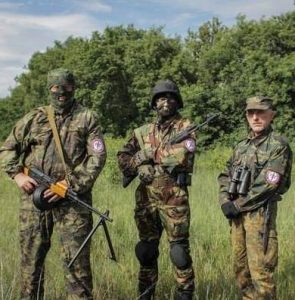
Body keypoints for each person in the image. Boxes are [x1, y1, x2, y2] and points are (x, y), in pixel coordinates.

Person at [0, 68, 107, 299]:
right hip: (35, 202)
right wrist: (17, 175)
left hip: (73, 202)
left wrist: (70, 184)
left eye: (66, 87)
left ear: (74, 88)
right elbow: (7, 148)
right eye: (56, 87)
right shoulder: (34, 117)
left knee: (77, 267)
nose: (61, 93)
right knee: (30, 265)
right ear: (49, 89)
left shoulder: (87, 117)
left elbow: (97, 157)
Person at [117, 79, 196, 300]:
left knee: (179, 252)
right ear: (154, 103)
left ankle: (185, 293)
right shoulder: (142, 132)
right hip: (146, 200)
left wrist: (149, 154)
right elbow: (122, 157)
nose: (166, 101)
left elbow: (180, 156)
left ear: (177, 102)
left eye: (170, 97)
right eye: (161, 97)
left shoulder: (186, 127)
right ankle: (146, 294)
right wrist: (138, 163)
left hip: (174, 200)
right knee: (146, 251)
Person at [218, 96, 292, 299]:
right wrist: (225, 200)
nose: (256, 117)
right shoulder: (241, 146)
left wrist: (238, 204)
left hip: (260, 216)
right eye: (251, 113)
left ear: (271, 115)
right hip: (236, 216)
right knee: (241, 270)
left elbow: (269, 184)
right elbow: (225, 175)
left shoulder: (278, 145)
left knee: (261, 273)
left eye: (261, 112)